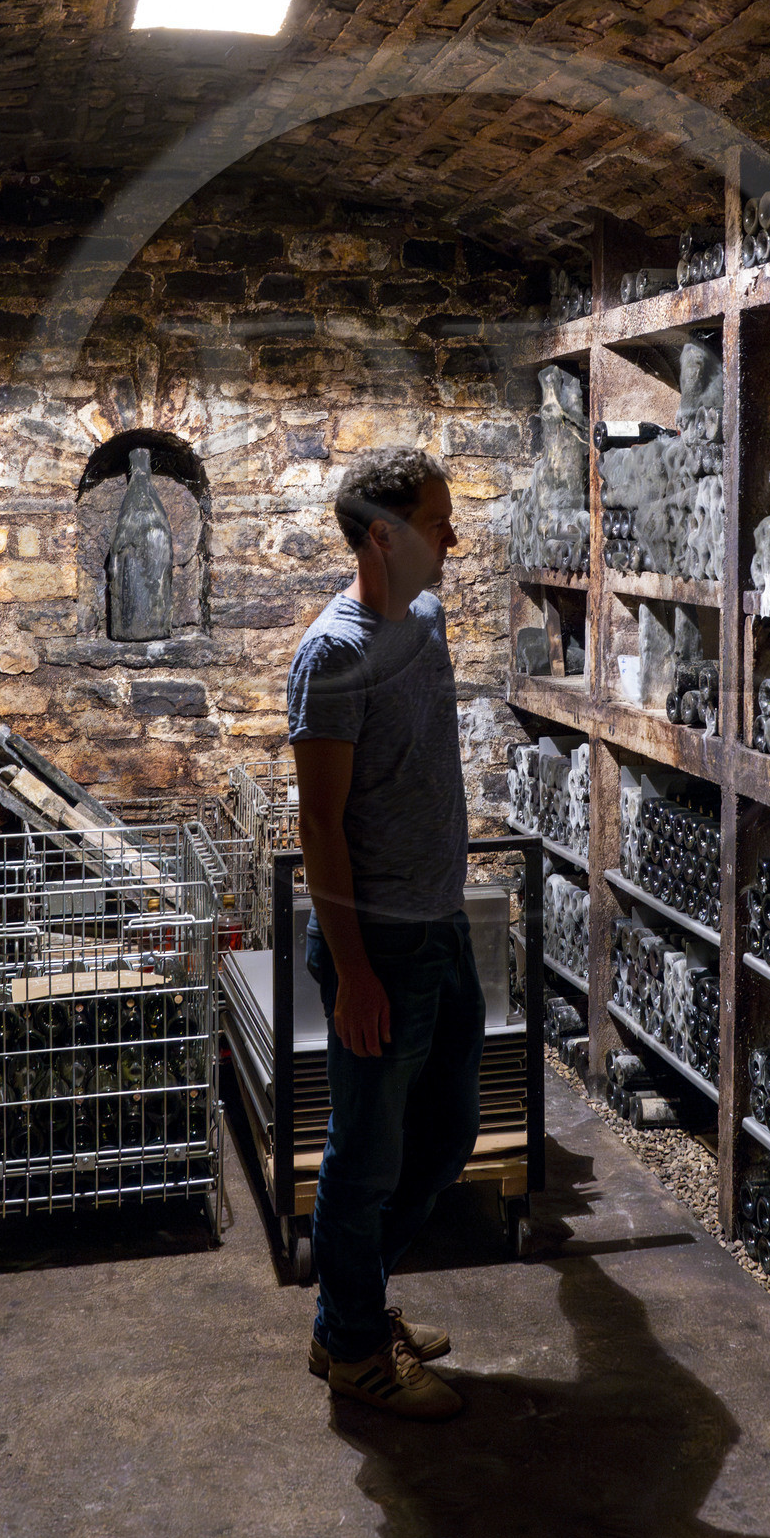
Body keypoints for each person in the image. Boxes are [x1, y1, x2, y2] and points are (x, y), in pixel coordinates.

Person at [286, 446, 482, 1422]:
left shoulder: (429, 622)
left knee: (445, 1139)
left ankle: (349, 1312)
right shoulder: (331, 657)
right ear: (383, 535)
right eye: (439, 519)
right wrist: (354, 971)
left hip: (443, 929)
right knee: (362, 1160)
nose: (454, 536)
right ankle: (353, 1344)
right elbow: (319, 824)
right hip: (382, 955)